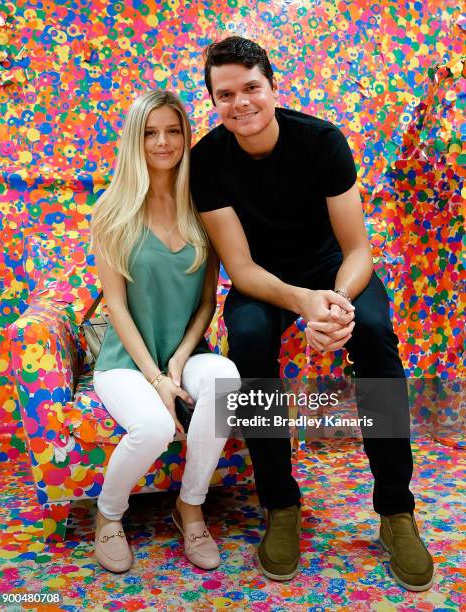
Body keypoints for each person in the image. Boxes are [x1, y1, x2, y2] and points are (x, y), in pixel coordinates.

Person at [190, 36, 434, 590]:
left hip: (334, 272)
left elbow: (358, 251)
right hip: (266, 281)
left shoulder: (322, 140)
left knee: (372, 331)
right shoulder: (207, 160)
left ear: (273, 88)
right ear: (213, 101)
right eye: (225, 95)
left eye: (251, 87)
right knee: (248, 338)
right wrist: (303, 305)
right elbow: (242, 269)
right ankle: (280, 506)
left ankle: (397, 511)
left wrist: (336, 306)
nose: (241, 103)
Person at [90, 90, 240, 573]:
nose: (163, 142)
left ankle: (190, 507)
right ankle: (108, 515)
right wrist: (157, 378)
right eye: (151, 132)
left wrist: (178, 361)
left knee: (225, 382)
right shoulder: (112, 210)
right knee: (153, 427)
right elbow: (116, 307)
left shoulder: (204, 207)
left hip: (186, 352)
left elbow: (206, 302)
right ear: (136, 139)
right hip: (125, 362)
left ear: (185, 137)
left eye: (173, 131)